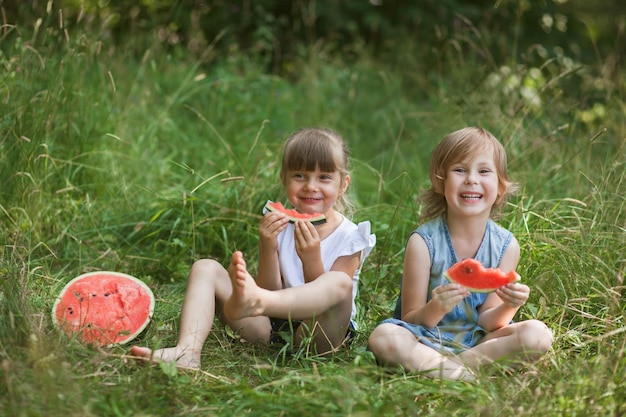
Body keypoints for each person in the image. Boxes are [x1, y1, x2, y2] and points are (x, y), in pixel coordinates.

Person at [131, 127, 375, 369]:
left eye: (324, 177)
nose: (311, 186)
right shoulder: (279, 224)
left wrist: (311, 259)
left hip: (320, 334)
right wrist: (267, 245)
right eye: (300, 175)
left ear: (343, 185)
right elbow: (269, 287)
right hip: (270, 329)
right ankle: (188, 350)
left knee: (339, 283)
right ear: (284, 178)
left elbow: (326, 299)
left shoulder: (351, 237)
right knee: (205, 267)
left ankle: (257, 302)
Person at [367, 127, 553, 381]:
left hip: (478, 343)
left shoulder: (506, 246)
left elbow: (489, 323)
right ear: (440, 183)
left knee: (538, 334)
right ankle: (467, 375)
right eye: (460, 170)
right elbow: (410, 318)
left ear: (500, 186)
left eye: (484, 171)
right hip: (424, 339)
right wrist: (436, 307)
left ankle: (448, 370)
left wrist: (510, 305)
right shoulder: (423, 242)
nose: (471, 179)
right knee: (384, 336)